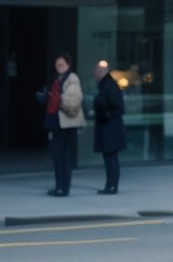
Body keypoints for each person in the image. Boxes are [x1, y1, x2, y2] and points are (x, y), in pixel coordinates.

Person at [40, 52, 85, 196]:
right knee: (58, 155)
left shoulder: (71, 78)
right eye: (57, 64)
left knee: (61, 155)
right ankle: (60, 186)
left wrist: (55, 98)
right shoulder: (59, 78)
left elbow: (72, 102)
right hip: (58, 122)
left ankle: (62, 188)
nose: (58, 66)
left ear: (68, 64)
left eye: (61, 64)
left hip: (66, 123)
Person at [93, 60, 127, 194]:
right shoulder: (106, 85)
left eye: (97, 71)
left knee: (111, 158)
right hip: (109, 127)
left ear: (102, 72)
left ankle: (112, 186)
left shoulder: (109, 85)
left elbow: (117, 106)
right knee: (110, 157)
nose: (94, 73)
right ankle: (111, 185)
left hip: (110, 128)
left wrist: (105, 114)